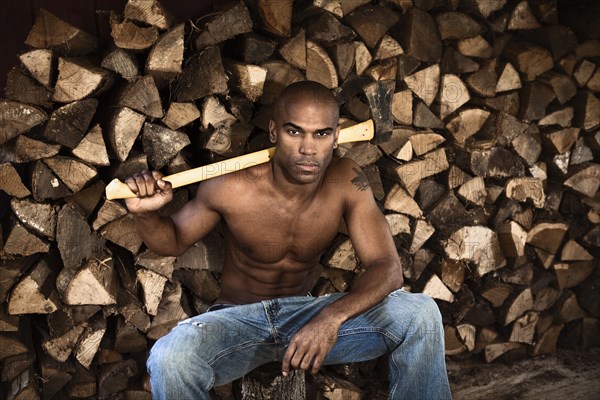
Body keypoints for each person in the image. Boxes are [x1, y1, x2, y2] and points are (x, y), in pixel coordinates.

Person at [124, 80, 451, 399]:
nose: (308, 149)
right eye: (294, 132)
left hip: (304, 315)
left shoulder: (345, 180)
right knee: (169, 358)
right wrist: (145, 215)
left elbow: (387, 268)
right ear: (273, 132)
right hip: (238, 321)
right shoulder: (230, 186)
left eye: (321, 134)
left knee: (420, 313)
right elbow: (173, 240)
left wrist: (329, 319)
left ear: (336, 137)